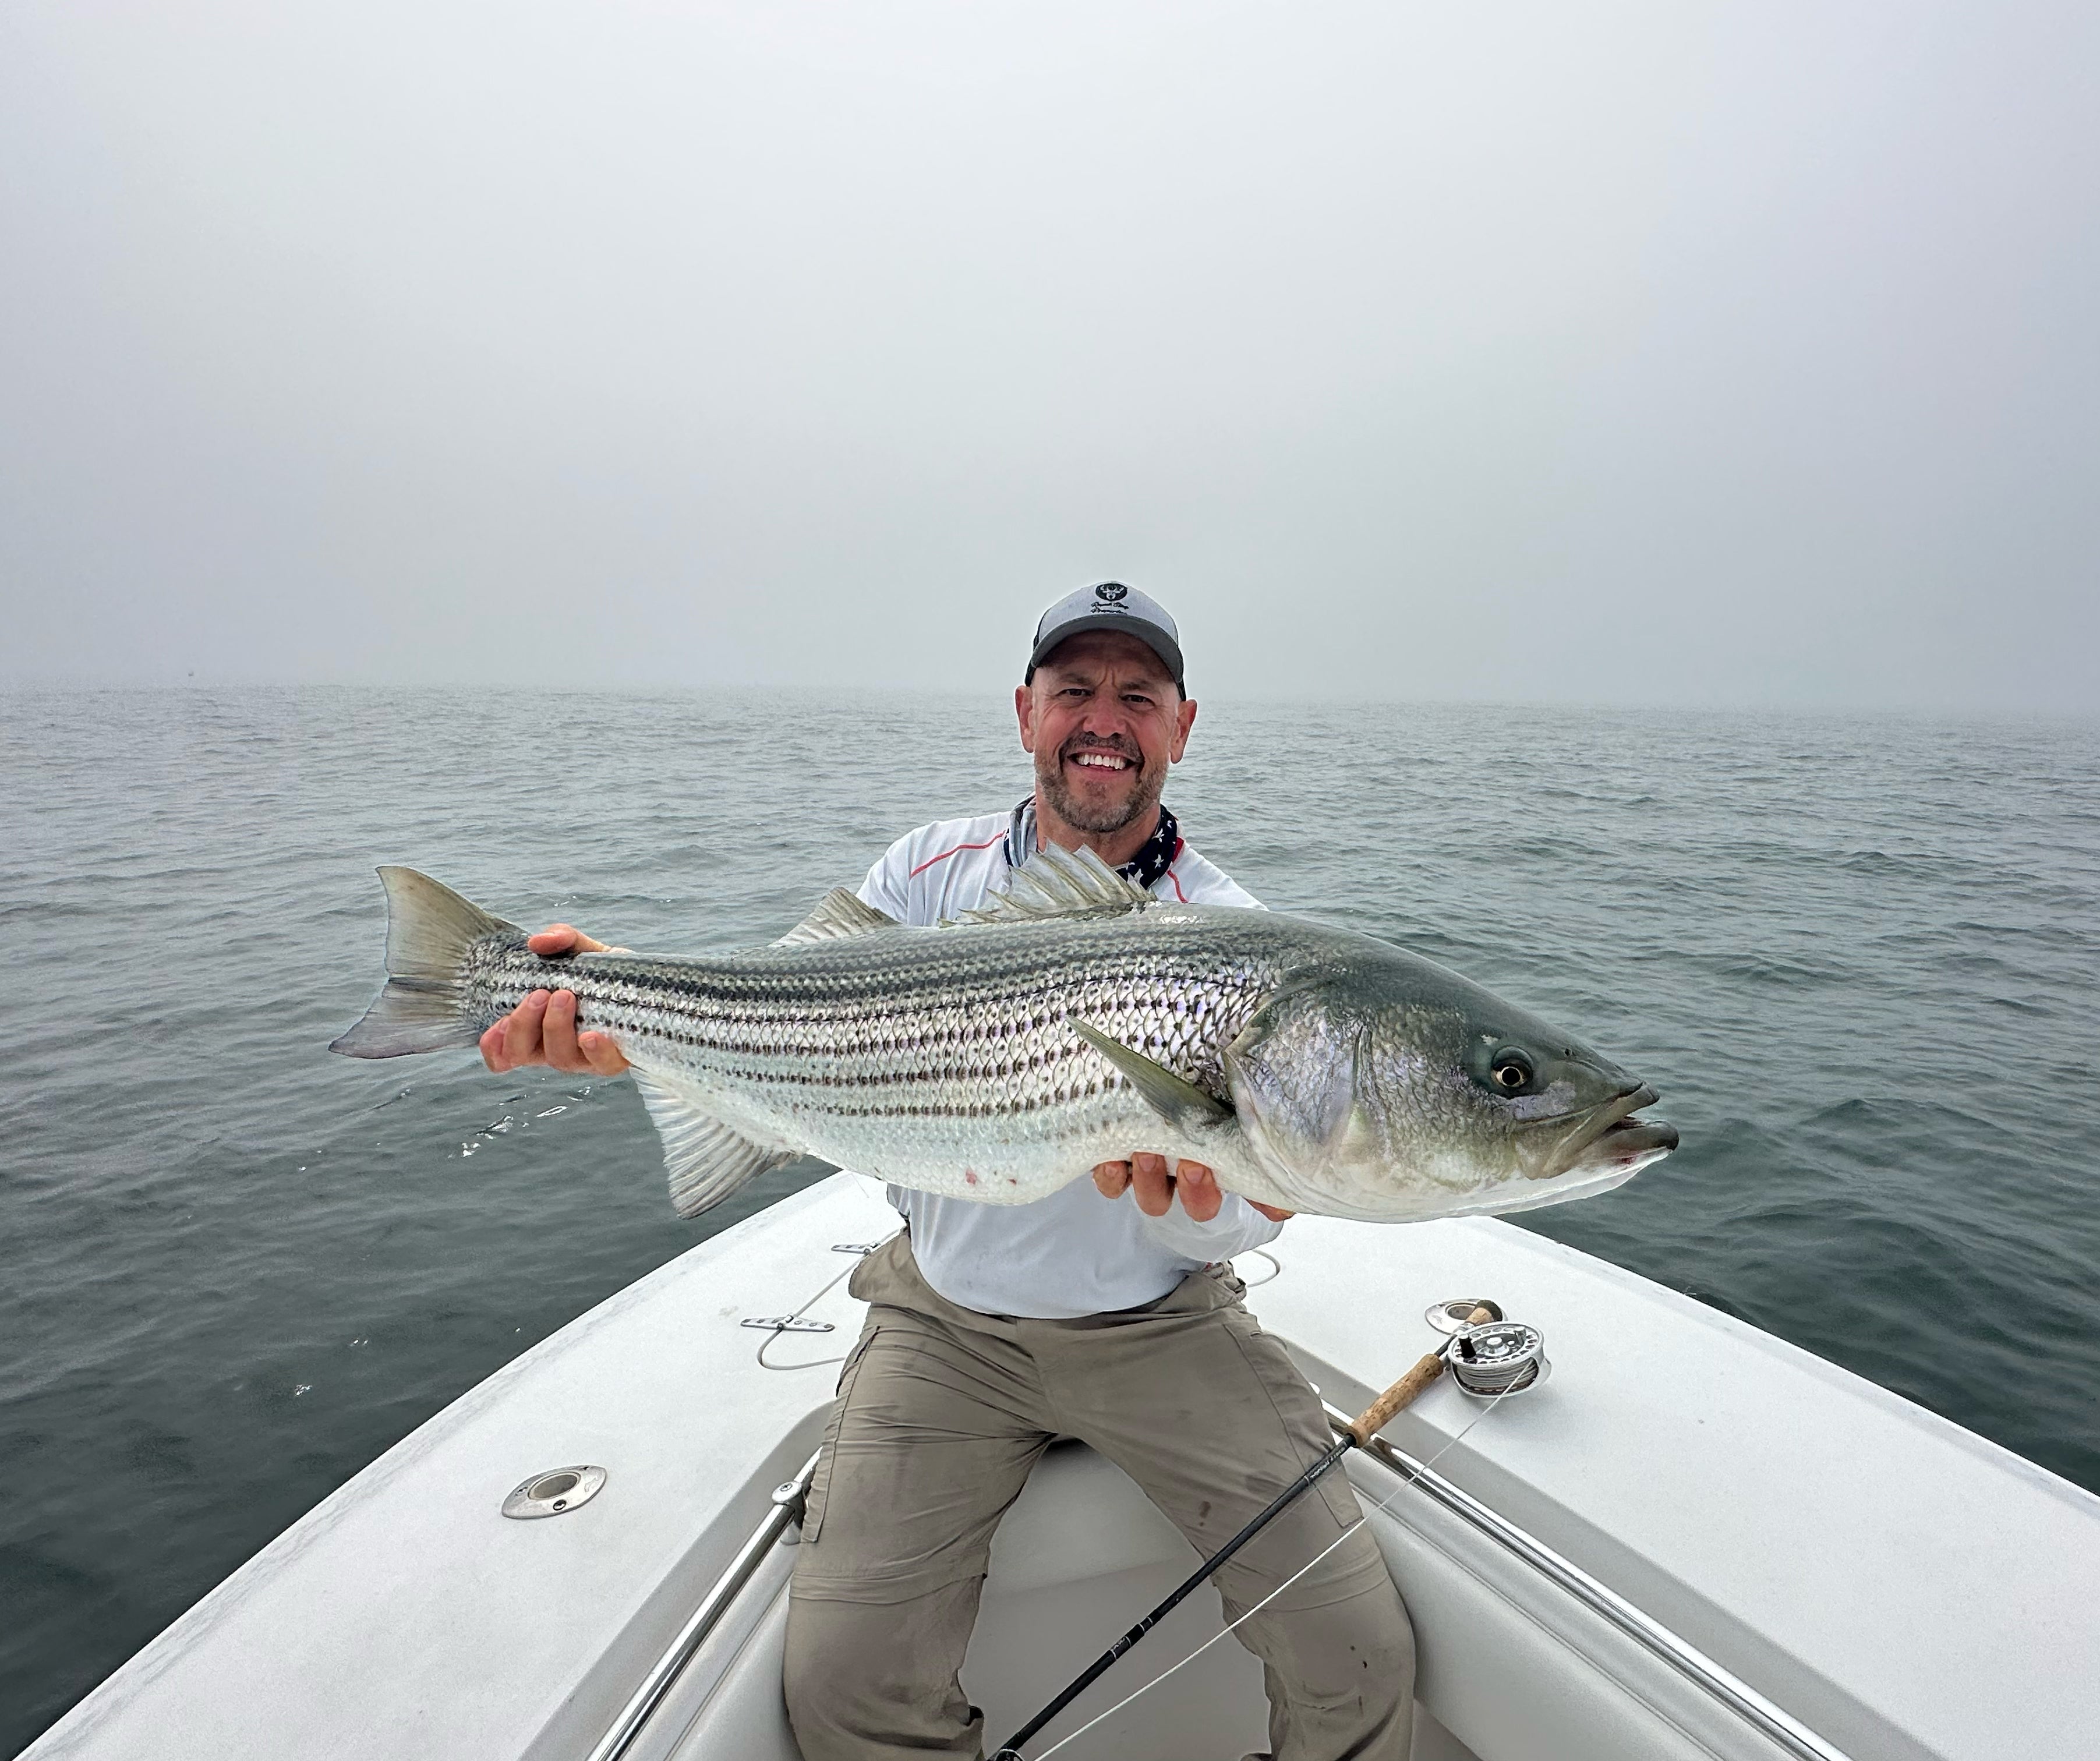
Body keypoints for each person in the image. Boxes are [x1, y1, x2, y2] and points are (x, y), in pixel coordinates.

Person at [478, 583, 1417, 1760]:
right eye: (1075, 690)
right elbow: (782, 1009)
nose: (1103, 719)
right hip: (947, 1323)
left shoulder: (1230, 932)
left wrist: (1207, 1208)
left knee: (1359, 1651)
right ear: (1026, 711)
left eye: (1139, 695)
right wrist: (628, 1003)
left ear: (1184, 725)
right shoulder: (930, 868)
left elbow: (1259, 1203)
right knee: (840, 1684)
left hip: (1159, 1325)